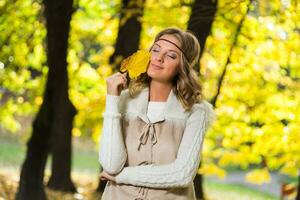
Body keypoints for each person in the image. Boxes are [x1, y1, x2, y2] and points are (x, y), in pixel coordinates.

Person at [99, 27, 215, 200]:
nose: (158, 58)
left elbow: (182, 173)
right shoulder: (123, 101)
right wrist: (112, 99)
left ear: (182, 66)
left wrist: (122, 177)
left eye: (171, 55)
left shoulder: (196, 112)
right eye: (156, 50)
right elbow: (111, 165)